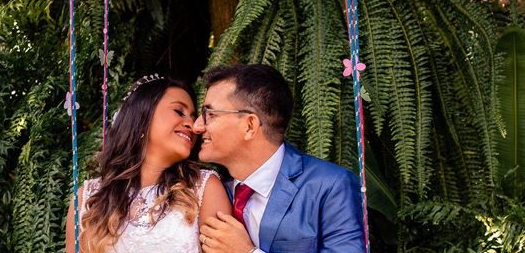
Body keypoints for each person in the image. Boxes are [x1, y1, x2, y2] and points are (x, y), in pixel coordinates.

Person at [194, 64, 365, 253]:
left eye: (209, 114)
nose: (197, 126)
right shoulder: (211, 189)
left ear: (250, 125)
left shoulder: (330, 186)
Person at [65, 75, 231, 253]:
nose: (191, 124)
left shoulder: (203, 188)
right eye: (179, 111)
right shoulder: (89, 197)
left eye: (192, 116)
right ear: (142, 115)